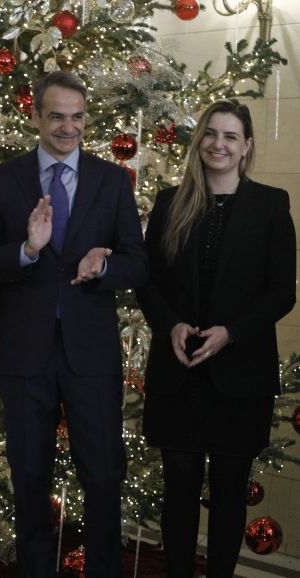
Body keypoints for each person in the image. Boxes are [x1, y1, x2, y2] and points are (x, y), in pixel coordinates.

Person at [0, 71, 148, 577]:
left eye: (78, 117)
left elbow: (138, 263)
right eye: (57, 116)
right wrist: (26, 251)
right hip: (25, 354)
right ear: (36, 116)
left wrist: (104, 267)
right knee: (29, 479)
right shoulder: (4, 180)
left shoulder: (112, 180)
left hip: (92, 356)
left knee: (104, 475)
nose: (69, 127)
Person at [136, 99, 295, 577]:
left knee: (229, 490)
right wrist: (170, 324)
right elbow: (147, 281)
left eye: (230, 136)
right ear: (198, 141)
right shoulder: (170, 202)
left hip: (239, 374)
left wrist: (231, 333)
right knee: (179, 489)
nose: (218, 144)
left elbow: (281, 291)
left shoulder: (270, 204)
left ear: (246, 147)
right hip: (178, 369)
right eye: (210, 133)